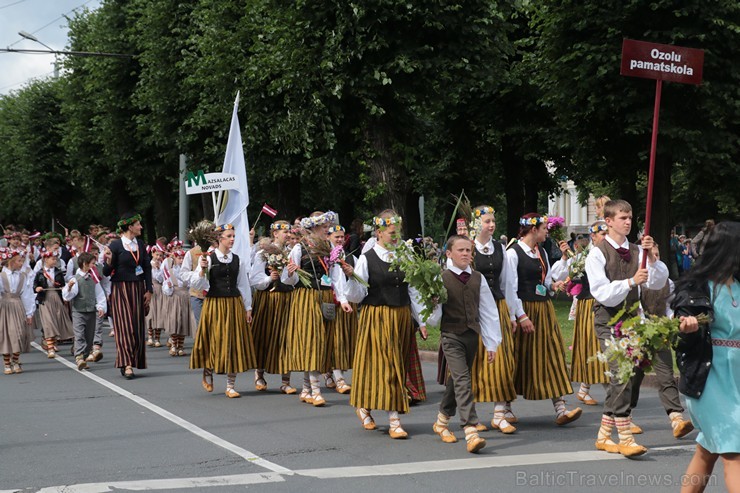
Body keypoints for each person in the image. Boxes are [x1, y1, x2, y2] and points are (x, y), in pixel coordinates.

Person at [585, 199, 669, 457]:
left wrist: (652, 260)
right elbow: (602, 293)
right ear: (608, 221)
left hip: (633, 319)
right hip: (608, 319)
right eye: (622, 218)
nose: (628, 221)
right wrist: (631, 281)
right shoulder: (597, 253)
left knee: (627, 377)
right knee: (620, 374)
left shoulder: (637, 250)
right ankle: (625, 436)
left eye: (630, 217)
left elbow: (656, 284)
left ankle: (602, 435)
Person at [347, 210, 429, 439]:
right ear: (379, 233)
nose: (396, 237)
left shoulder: (405, 256)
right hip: (377, 317)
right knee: (385, 365)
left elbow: (413, 289)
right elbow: (356, 295)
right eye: (392, 233)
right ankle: (394, 419)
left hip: (401, 317)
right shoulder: (368, 257)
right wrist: (353, 277)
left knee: (397, 365)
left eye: (397, 232)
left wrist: (422, 321)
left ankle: (366, 406)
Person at [671, 221, 740, 493]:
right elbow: (681, 336)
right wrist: (687, 329)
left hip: (736, 377)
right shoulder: (697, 287)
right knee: (734, 450)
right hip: (708, 376)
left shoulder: (738, 286)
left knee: (707, 451)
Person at [507, 213, 582, 427]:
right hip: (524, 309)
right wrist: (520, 316)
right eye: (543, 228)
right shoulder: (513, 253)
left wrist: (553, 285)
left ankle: (560, 408)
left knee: (552, 354)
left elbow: (546, 280)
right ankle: (505, 408)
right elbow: (510, 287)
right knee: (517, 356)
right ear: (533, 229)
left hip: (544, 309)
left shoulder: (541, 251)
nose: (546, 231)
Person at [428, 235, 501, 453]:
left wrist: (491, 343)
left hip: (472, 336)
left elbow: (488, 311)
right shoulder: (441, 278)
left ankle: (441, 421)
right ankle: (470, 429)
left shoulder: (478, 278)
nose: (466, 254)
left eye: (469, 250)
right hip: (451, 336)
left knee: (457, 380)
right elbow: (433, 319)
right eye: (461, 250)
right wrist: (432, 303)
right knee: (463, 380)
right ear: (449, 254)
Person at [282, 211, 352, 407]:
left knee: (320, 342)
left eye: (327, 228)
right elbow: (288, 280)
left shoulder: (330, 248)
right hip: (305, 298)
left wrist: (343, 299)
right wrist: (290, 273)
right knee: (312, 341)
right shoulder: (299, 248)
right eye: (323, 228)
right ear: (313, 229)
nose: (326, 231)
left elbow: (336, 276)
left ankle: (306, 388)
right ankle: (315, 390)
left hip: (324, 297)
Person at [629, 243, 694, 438]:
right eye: (651, 255)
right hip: (639, 330)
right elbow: (634, 306)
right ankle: (626, 414)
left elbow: (668, 304)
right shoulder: (637, 280)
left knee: (665, 373)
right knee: (635, 375)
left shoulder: (667, 282)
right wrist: (643, 325)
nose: (654, 258)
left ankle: (676, 418)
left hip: (660, 332)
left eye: (657, 254)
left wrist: (670, 319)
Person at [189, 223, 256, 398]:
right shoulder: (209, 258)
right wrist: (202, 270)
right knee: (214, 339)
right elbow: (197, 285)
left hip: (233, 303)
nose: (233, 239)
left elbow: (243, 284)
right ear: (220, 238)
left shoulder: (237, 259)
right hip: (215, 304)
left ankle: (230, 385)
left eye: (233, 236)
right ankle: (208, 369)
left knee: (233, 342)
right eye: (229, 236)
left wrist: (247, 307)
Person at [469, 205, 519, 434]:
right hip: (473, 311)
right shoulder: (467, 248)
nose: (491, 225)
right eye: (487, 221)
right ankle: (472, 415)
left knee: (503, 360)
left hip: (497, 309)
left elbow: (508, 283)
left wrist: (511, 313)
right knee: (475, 362)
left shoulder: (500, 249)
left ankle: (499, 414)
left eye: (493, 221)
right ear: (476, 223)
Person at [102, 213, 153, 379]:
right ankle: (126, 363)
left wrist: (149, 289)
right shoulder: (116, 245)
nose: (141, 227)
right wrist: (108, 261)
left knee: (137, 327)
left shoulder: (140, 244)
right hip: (121, 288)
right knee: (124, 327)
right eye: (138, 224)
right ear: (130, 227)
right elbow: (106, 272)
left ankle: (133, 359)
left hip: (138, 288)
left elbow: (147, 268)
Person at [249, 220, 296, 394]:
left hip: (287, 298)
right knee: (264, 334)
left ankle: (286, 380)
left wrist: (291, 274)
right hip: (268, 298)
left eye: (290, 232)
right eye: (285, 232)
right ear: (275, 233)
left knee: (287, 337)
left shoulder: (292, 252)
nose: (289, 235)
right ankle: (259, 374)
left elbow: (294, 280)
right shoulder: (263, 252)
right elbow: (254, 279)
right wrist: (270, 278)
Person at [62, 252, 107, 370]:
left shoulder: (93, 278)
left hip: (91, 311)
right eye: (92, 263)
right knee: (79, 334)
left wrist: (101, 307)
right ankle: (79, 357)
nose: (94, 265)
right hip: (79, 311)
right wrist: (69, 288)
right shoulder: (75, 279)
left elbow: (100, 294)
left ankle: (85, 355)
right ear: (85, 264)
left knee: (89, 336)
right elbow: (68, 296)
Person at [34, 250, 74, 358]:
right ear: (46, 259)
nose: (55, 261)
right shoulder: (39, 273)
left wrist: (64, 291)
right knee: (48, 323)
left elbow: (63, 285)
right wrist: (37, 288)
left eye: (55, 259)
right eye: (52, 259)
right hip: (45, 298)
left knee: (60, 320)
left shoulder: (58, 272)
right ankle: (50, 348)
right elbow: (34, 285)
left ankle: (72, 344)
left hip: (56, 297)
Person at [0, 249, 34, 374]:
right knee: (6, 334)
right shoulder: (1, 276)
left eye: (22, 261)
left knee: (18, 333)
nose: (21, 264)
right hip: (4, 306)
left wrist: (29, 312)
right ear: (11, 261)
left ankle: (16, 360)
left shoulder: (22, 276)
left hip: (18, 305)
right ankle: (7, 363)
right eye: (19, 261)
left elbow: (26, 294)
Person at [161, 249, 194, 357]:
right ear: (174, 258)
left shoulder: (187, 271)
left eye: (182, 258)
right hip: (174, 298)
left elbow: (190, 284)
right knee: (175, 321)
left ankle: (180, 346)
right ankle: (174, 345)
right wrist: (169, 288)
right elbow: (165, 286)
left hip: (185, 297)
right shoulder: (171, 271)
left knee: (183, 322)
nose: (181, 260)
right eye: (179, 258)